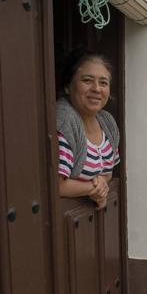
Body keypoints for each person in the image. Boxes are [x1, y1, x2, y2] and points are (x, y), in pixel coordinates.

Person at [56, 49, 120, 208]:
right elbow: (58, 185)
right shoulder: (64, 119)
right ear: (67, 86)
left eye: (103, 83)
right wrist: (95, 189)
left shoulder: (107, 121)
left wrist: (102, 183)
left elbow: (108, 172)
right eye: (87, 80)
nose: (97, 89)